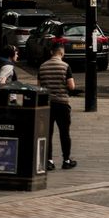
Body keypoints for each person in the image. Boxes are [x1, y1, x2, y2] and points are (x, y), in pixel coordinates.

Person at [38, 39, 77, 171]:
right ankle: (66, 160)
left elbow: (39, 87)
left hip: (47, 105)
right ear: (62, 53)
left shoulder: (42, 66)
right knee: (64, 133)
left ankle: (49, 161)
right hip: (62, 104)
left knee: (48, 133)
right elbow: (71, 86)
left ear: (51, 52)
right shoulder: (65, 67)